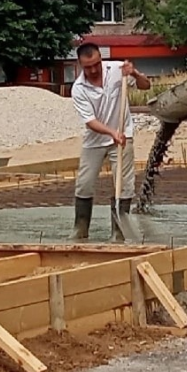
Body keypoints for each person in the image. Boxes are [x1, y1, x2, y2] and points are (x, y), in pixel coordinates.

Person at [69, 42, 150, 241]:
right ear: (80, 65)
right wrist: (112, 132)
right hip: (96, 139)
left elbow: (145, 86)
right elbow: (90, 122)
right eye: (88, 67)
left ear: (101, 59)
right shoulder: (78, 88)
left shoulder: (117, 69)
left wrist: (134, 74)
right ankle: (80, 229)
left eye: (96, 64)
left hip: (123, 136)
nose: (93, 70)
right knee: (84, 184)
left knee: (123, 184)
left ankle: (118, 231)